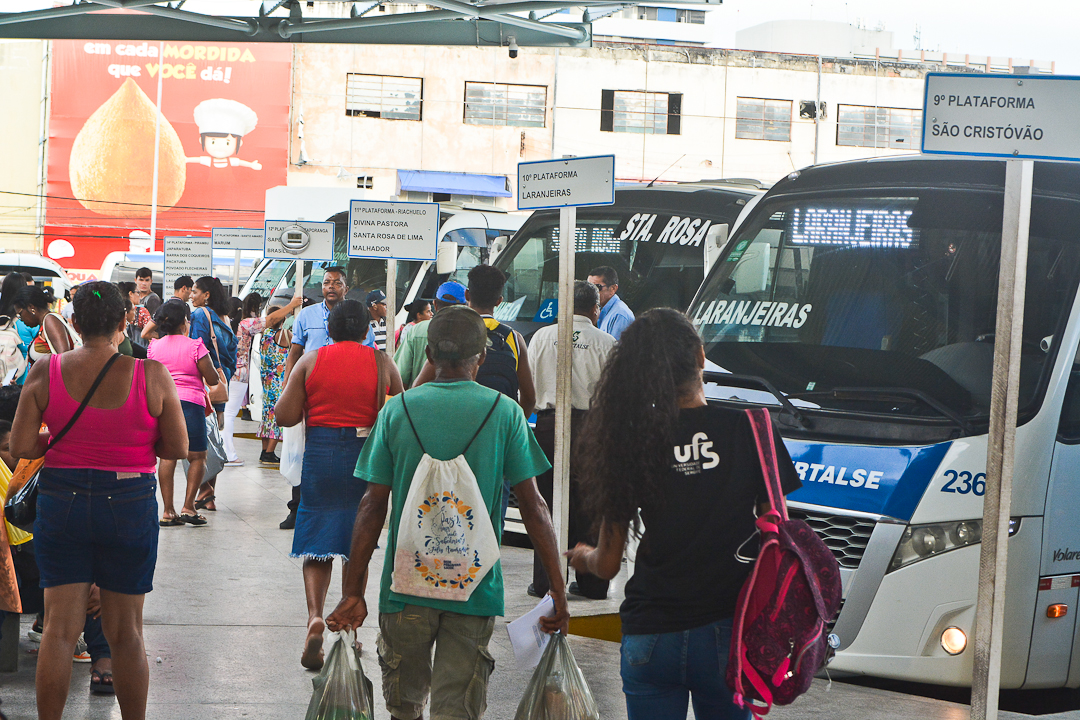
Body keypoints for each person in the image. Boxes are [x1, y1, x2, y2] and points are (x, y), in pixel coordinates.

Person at [326, 305, 569, 720]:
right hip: (474, 590)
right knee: (457, 710)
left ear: (429, 356)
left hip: (404, 588)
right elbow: (534, 507)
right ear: (482, 358)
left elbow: (371, 506)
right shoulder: (505, 412)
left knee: (405, 710)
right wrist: (559, 592)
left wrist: (353, 591)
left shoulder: (395, 412)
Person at [565, 309, 802, 720]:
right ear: (700, 356)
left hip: (651, 634)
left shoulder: (631, 439)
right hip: (729, 632)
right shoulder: (752, 428)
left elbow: (605, 565)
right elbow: (778, 539)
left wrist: (581, 555)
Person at [10, 280, 187, 720]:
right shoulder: (151, 374)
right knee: (126, 632)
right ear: (124, 323)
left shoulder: (45, 371)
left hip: (62, 501)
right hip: (128, 501)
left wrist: (60, 437)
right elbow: (177, 449)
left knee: (58, 631)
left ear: (74, 323)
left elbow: (22, 446)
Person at [275, 299, 402, 669]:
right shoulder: (382, 363)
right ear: (367, 331)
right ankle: (347, 630)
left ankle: (315, 616)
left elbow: (283, 415)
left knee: (316, 539)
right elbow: (399, 410)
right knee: (357, 540)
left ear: (329, 329)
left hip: (321, 455)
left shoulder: (311, 361)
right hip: (366, 459)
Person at [528, 280, 615, 600]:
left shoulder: (541, 337)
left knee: (545, 504)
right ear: (596, 308)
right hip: (592, 431)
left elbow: (531, 389)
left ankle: (546, 582)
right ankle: (592, 582)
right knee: (591, 506)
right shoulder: (606, 343)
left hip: (548, 428)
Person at [279, 267, 372, 528]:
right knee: (302, 450)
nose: (330, 287)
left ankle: (350, 514)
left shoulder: (358, 316)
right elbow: (294, 353)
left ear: (345, 287)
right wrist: (289, 387)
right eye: (326, 283)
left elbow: (370, 354)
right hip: (310, 390)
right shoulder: (307, 315)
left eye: (336, 283)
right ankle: (297, 509)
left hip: (348, 393)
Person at [147, 300, 222, 527]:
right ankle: (189, 507)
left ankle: (167, 511)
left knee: (167, 456)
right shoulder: (195, 346)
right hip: (191, 405)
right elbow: (212, 379)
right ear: (184, 322)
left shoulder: (154, 347)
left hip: (164, 406)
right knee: (197, 456)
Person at [223, 292, 303, 466]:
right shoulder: (246, 325)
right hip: (243, 374)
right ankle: (229, 453)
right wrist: (292, 306)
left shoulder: (225, 325)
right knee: (231, 414)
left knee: (231, 414)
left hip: (236, 374)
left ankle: (236, 451)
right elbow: (270, 320)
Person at [393, 281, 466, 388]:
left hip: (418, 401)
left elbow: (400, 377)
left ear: (435, 305)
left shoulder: (416, 331)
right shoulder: (474, 332)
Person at [257, 293, 298, 466]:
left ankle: (264, 450)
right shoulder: (284, 335)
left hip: (266, 380)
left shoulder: (264, 335)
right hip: (279, 381)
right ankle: (270, 452)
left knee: (267, 414)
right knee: (277, 417)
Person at [12, 285, 79, 364]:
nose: (21, 319)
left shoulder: (50, 320)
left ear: (31, 307)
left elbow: (64, 358)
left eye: (20, 314)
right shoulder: (45, 323)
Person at [140, 276, 194, 342]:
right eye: (191, 291)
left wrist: (161, 337)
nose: (191, 295)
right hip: (179, 348)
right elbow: (187, 333)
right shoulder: (184, 307)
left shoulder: (163, 307)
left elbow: (144, 334)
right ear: (184, 288)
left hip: (163, 348)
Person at [587, 265, 635, 341]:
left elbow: (615, 351)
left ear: (613, 288)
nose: (591, 293)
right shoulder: (603, 310)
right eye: (588, 287)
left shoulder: (620, 315)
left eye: (596, 288)